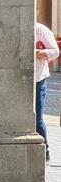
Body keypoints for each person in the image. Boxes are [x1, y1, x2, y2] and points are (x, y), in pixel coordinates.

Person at [35, 21, 59, 165]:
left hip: (39, 80)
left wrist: (39, 53)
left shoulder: (41, 30)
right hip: (20, 80)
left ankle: (46, 150)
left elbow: (55, 51)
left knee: (38, 119)